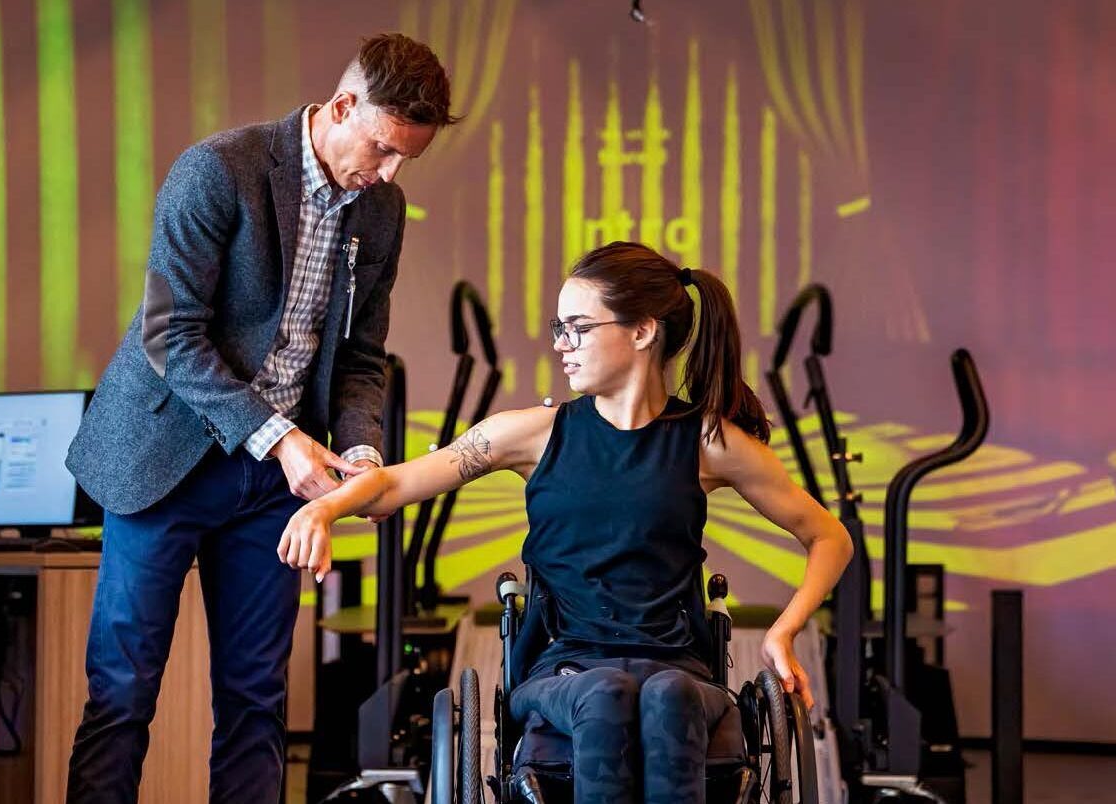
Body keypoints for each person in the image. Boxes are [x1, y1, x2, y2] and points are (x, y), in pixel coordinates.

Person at [280, 242, 854, 804]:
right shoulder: (532, 432)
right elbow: (396, 484)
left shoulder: (711, 441)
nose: (562, 346)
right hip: (564, 665)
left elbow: (829, 536)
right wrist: (323, 506)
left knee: (671, 693)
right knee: (605, 690)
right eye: (559, 329)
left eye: (578, 328)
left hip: (677, 664)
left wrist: (783, 632)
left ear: (642, 331)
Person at [63, 33, 455, 804]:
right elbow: (171, 334)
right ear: (343, 107)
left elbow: (361, 358)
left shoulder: (382, 209)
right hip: (164, 460)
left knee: (257, 701)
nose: (389, 173)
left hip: (277, 483)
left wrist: (364, 452)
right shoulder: (219, 169)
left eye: (407, 159)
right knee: (123, 692)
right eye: (382, 149)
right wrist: (281, 440)